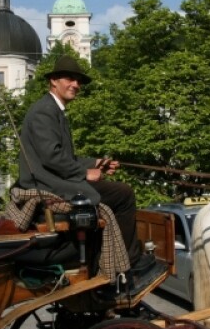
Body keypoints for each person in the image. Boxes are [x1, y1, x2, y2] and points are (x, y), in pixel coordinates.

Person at [16, 55, 140, 261]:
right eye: (69, 79)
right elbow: (51, 157)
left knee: (116, 191)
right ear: (53, 81)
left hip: (54, 178)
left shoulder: (53, 109)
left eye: (78, 81)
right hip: (47, 184)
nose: (76, 84)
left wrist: (96, 163)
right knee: (124, 194)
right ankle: (129, 261)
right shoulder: (45, 111)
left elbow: (63, 156)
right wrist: (84, 172)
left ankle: (106, 254)